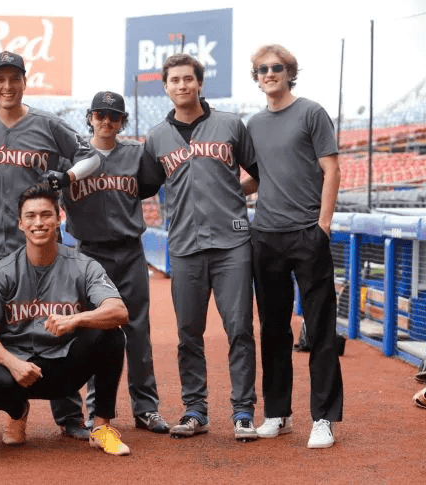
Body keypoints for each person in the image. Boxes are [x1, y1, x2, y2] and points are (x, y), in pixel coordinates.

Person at [0, 50, 101, 440]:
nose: (7, 86)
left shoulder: (47, 124)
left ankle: (68, 412)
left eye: (13, 78)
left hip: (41, 244)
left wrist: (66, 176)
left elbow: (91, 157)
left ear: (24, 81)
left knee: (57, 318)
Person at [141, 53, 260, 441]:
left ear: (199, 83)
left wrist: (232, 195)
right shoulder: (157, 136)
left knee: (239, 328)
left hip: (232, 244)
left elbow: (257, 175)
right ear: (166, 86)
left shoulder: (229, 125)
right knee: (188, 332)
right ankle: (195, 409)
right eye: (174, 80)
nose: (181, 86)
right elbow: (145, 185)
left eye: (188, 79)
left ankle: (243, 411)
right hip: (186, 246)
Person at [0, 183, 131, 456]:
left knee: (111, 334)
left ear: (59, 219)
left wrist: (77, 319)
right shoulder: (2, 272)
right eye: (31, 216)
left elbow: (119, 311)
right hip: (19, 370)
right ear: (20, 224)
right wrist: (13, 363)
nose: (39, 223)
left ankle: (101, 426)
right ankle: (17, 413)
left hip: (65, 364)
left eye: (46, 215)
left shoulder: (83, 266)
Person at [244, 44, 343, 449]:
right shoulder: (252, 124)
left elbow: (331, 168)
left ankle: (323, 418)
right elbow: (255, 179)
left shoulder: (312, 112)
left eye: (277, 68)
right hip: (265, 235)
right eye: (262, 69)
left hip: (307, 232)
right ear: (256, 77)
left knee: (320, 328)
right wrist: (215, 193)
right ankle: (277, 413)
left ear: (289, 73)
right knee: (273, 329)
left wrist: (323, 225)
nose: (269, 73)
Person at [59, 91, 169, 434]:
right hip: (87, 254)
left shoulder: (137, 155)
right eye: (100, 115)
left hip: (128, 251)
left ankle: (146, 408)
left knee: (138, 330)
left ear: (122, 121)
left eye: (114, 116)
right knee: (92, 330)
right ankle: (95, 411)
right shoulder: (71, 157)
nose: (107, 121)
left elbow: (154, 182)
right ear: (90, 117)